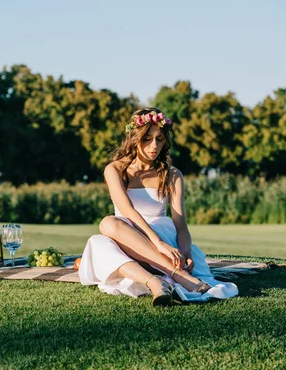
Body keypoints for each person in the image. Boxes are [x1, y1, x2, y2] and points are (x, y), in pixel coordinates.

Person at [78, 107, 238, 306]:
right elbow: (127, 211)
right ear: (134, 138)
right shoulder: (115, 170)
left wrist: (186, 251)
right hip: (128, 238)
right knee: (106, 229)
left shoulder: (172, 174)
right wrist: (156, 243)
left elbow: (180, 224)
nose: (154, 146)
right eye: (147, 139)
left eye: (159, 139)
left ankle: (175, 275)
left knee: (105, 231)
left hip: (163, 238)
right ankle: (155, 283)